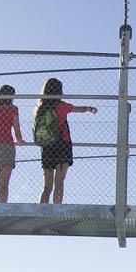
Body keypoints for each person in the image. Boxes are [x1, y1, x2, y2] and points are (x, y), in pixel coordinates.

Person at [32, 77, 97, 205]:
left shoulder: (40, 108)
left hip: (47, 146)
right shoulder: (61, 106)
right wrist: (89, 108)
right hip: (62, 144)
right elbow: (78, 109)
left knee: (47, 186)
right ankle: (57, 209)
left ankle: (41, 210)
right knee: (59, 182)